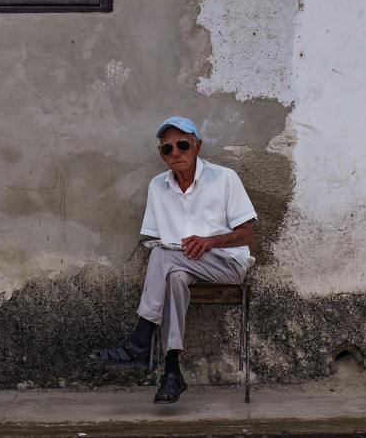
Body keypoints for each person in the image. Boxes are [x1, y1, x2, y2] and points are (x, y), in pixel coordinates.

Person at [91, 116, 257, 404]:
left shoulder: (225, 178)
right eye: (167, 149)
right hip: (181, 265)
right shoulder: (158, 186)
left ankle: (141, 340)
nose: (175, 153)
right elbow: (155, 238)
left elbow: (247, 234)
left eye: (182, 144)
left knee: (162, 256)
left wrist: (210, 241)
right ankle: (172, 372)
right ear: (161, 155)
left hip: (225, 265)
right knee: (174, 276)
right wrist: (170, 248)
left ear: (197, 146)